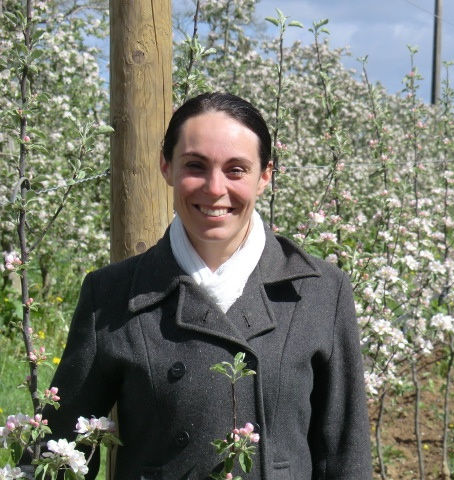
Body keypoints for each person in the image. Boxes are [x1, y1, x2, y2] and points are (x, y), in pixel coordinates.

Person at [44, 92, 373, 479]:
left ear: (265, 176)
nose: (215, 189)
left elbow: (345, 459)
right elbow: (59, 454)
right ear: (166, 167)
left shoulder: (320, 291)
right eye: (195, 166)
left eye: (236, 170)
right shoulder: (112, 295)